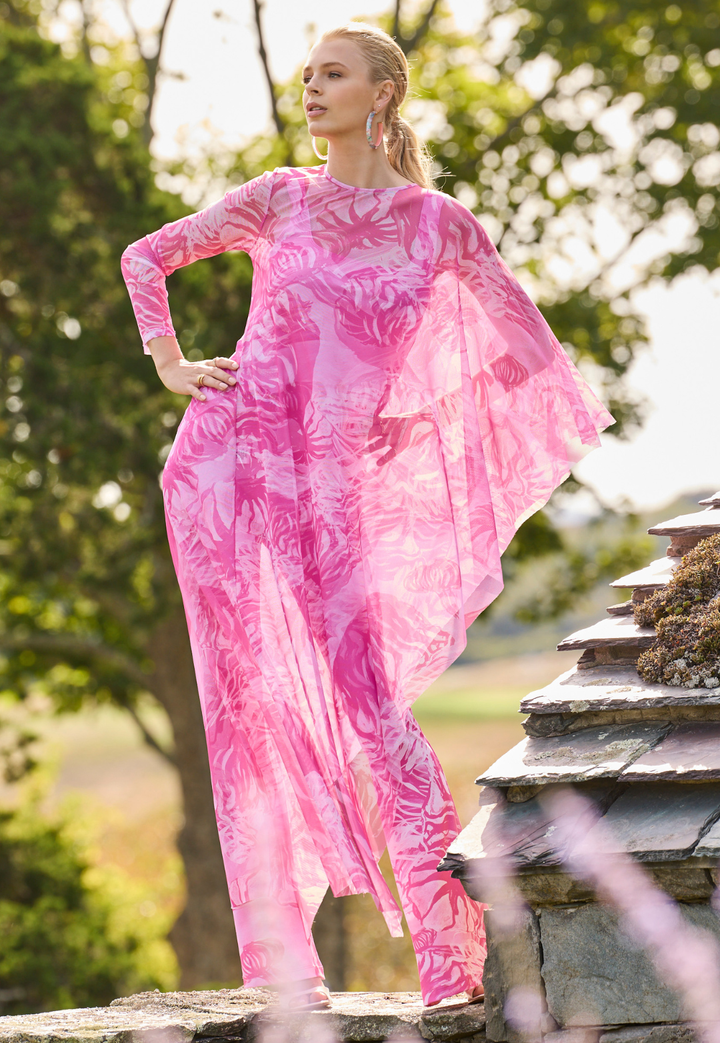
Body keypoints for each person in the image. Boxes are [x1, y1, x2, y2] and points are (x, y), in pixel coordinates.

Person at [121, 22, 613, 1012]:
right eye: (307, 76)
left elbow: (526, 355)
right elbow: (149, 256)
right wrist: (173, 364)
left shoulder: (439, 224)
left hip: (333, 492)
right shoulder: (283, 197)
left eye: (332, 74)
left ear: (383, 93)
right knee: (245, 711)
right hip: (229, 468)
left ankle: (450, 964)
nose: (311, 89)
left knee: (376, 711)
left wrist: (416, 415)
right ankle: (283, 976)